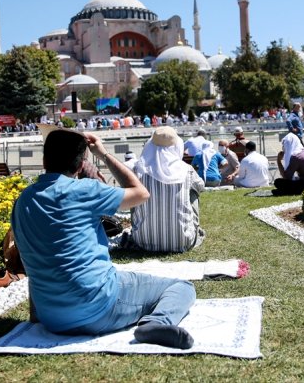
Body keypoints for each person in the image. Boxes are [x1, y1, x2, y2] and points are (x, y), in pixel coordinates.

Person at [11, 128, 195, 349]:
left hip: (52, 318)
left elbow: (32, 259)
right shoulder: (85, 190)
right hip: (99, 306)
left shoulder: (23, 201)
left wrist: (36, 317)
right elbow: (140, 193)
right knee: (181, 287)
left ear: (44, 160)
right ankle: (155, 322)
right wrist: (103, 154)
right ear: (80, 166)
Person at [129, 126, 205, 253]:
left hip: (143, 241)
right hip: (183, 241)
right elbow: (201, 186)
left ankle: (142, 228)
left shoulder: (138, 169)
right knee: (193, 191)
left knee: (135, 193)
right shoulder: (187, 170)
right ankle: (190, 228)